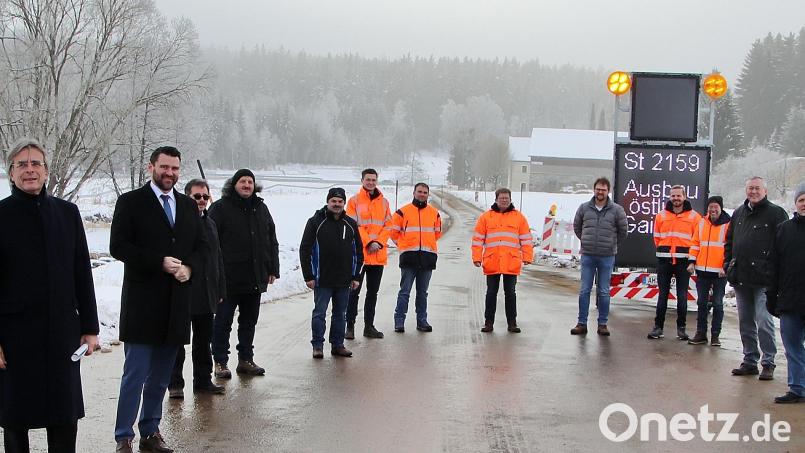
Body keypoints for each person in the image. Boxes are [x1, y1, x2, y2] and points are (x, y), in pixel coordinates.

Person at [0, 138, 99, 453]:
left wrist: (90, 328)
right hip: (14, 336)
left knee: (64, 417)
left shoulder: (67, 213)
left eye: (36, 164)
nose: (30, 170)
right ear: (11, 173)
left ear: (46, 171)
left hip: (61, 334)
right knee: (15, 420)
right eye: (22, 165)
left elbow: (82, 273)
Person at [111, 146, 206, 453]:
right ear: (152, 166)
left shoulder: (188, 206)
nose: (169, 173)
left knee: (161, 377)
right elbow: (119, 246)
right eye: (164, 167)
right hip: (142, 304)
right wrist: (159, 262)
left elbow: (202, 247)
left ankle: (150, 430)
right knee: (135, 375)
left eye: (175, 168)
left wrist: (189, 268)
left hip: (176, 304)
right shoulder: (131, 202)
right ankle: (123, 435)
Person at [209, 169, 279, 378]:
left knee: (249, 321)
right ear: (234, 184)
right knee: (222, 322)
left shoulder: (261, 208)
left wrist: (273, 268)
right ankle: (220, 362)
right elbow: (211, 243)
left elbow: (271, 239)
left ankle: (245, 359)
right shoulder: (220, 208)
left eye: (250, 181)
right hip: (228, 278)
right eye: (242, 181)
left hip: (254, 276)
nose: (247, 185)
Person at [725, 176, 789, 381]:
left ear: (765, 191)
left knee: (764, 321)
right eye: (750, 188)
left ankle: (768, 362)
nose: (753, 192)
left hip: (765, 280)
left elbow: (784, 244)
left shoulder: (776, 213)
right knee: (745, 322)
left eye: (757, 188)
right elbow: (729, 241)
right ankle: (750, 360)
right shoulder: (738, 213)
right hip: (741, 277)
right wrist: (728, 264)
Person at [168, 180, 226, 399]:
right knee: (179, 343)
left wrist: (220, 289)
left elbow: (217, 258)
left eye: (205, 196)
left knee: (204, 343)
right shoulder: (178, 222)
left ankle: (202, 381)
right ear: (187, 198)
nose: (201, 200)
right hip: (184, 291)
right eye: (196, 197)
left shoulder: (210, 223)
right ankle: (175, 384)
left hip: (207, 293)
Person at [299, 188, 363, 358]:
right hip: (322, 279)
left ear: (344, 203)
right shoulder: (315, 222)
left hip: (344, 280)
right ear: (328, 202)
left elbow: (358, 251)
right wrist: (309, 276)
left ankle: (338, 344)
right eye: (333, 201)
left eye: (340, 201)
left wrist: (356, 276)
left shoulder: (350, 224)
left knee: (340, 314)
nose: (337, 204)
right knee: (320, 313)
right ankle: (317, 345)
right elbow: (305, 249)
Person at [570, 177, 627, 336]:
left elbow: (623, 231)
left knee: (603, 291)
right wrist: (586, 240)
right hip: (588, 255)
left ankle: (602, 324)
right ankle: (582, 323)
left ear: (608, 191)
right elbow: (577, 226)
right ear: (594, 190)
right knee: (584, 290)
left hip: (607, 256)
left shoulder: (617, 210)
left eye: (603, 189)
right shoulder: (584, 208)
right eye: (598, 189)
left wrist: (611, 243)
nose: (600, 192)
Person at [472, 188, 533, 333]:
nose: (504, 200)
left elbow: (526, 239)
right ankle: (489, 322)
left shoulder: (519, 217)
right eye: (501, 198)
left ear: (510, 199)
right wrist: (476, 257)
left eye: (506, 198)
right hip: (492, 261)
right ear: (496, 199)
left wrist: (527, 257)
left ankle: (512, 323)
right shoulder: (486, 217)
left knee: (510, 293)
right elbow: (478, 239)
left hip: (511, 261)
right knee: (491, 292)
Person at [766, 182, 805, 403]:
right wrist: (772, 296)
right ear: (795, 203)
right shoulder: (784, 229)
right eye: (801, 200)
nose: (804, 204)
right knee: (792, 348)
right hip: (790, 301)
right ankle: (797, 389)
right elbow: (774, 266)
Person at [647, 185, 701, 340]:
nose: (676, 198)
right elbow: (656, 237)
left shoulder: (694, 217)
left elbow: (696, 240)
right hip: (664, 260)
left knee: (682, 296)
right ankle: (658, 327)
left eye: (679, 196)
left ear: (684, 197)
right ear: (669, 197)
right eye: (673, 196)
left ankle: (681, 329)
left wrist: (691, 259)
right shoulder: (661, 216)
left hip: (684, 262)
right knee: (662, 295)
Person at [345, 169, 392, 340]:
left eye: (373, 179)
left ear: (377, 181)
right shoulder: (354, 201)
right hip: (359, 255)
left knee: (373, 293)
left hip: (378, 255)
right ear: (362, 180)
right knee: (353, 292)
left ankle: (369, 326)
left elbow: (389, 225)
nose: (371, 182)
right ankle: (349, 326)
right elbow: (353, 225)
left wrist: (378, 242)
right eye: (368, 179)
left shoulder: (384, 203)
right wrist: (368, 242)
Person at [391, 183, 442, 332]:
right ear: (414, 193)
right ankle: (399, 321)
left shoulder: (434, 213)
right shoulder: (402, 212)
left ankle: (422, 321)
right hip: (409, 258)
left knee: (422, 293)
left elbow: (437, 233)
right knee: (404, 291)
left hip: (427, 258)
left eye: (425, 192)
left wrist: (427, 245)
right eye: (419, 191)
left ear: (428, 195)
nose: (422, 194)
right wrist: (404, 246)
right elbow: (393, 233)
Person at [686, 196, 730, 346]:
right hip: (702, 271)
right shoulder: (702, 223)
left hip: (719, 272)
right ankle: (701, 333)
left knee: (717, 304)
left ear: (721, 208)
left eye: (715, 206)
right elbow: (695, 243)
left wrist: (726, 266)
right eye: (710, 206)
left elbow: (731, 247)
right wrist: (692, 261)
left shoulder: (728, 225)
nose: (713, 209)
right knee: (701, 303)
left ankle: (715, 335)